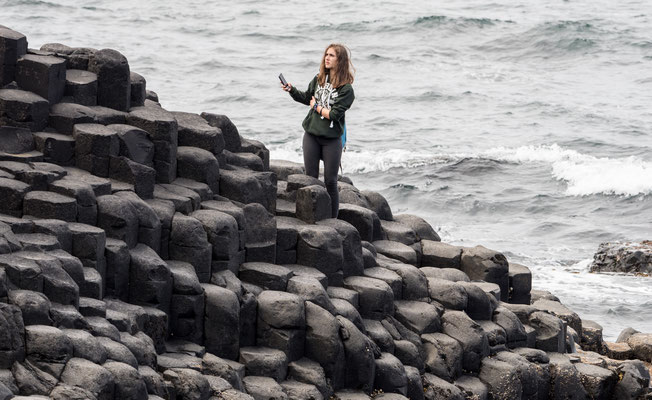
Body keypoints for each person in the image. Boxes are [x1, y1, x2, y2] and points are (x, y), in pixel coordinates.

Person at [281, 43, 355, 218]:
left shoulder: (346, 89)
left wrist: (316, 108)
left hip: (331, 139)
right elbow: (307, 98)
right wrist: (291, 90)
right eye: (326, 55)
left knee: (330, 181)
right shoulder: (319, 78)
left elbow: (335, 114)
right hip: (311, 135)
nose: (326, 58)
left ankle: (332, 219)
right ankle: (310, 216)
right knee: (311, 179)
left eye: (331, 56)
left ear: (340, 61)